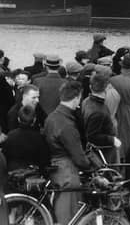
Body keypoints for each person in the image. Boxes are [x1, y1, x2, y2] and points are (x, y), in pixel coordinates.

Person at [44, 81, 91, 225]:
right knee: (70, 216)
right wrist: (90, 167)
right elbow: (79, 157)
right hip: (68, 172)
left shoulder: (51, 117)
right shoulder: (67, 124)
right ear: (77, 98)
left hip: (56, 169)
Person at [81, 71, 121, 164]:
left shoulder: (86, 101)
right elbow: (92, 136)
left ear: (90, 87)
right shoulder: (99, 111)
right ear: (106, 88)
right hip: (103, 153)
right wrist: (112, 140)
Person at [2, 105, 50, 171]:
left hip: (13, 174)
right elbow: (45, 160)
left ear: (18, 119)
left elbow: (4, 156)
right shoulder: (39, 138)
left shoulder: (10, 136)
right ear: (34, 120)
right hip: (33, 175)